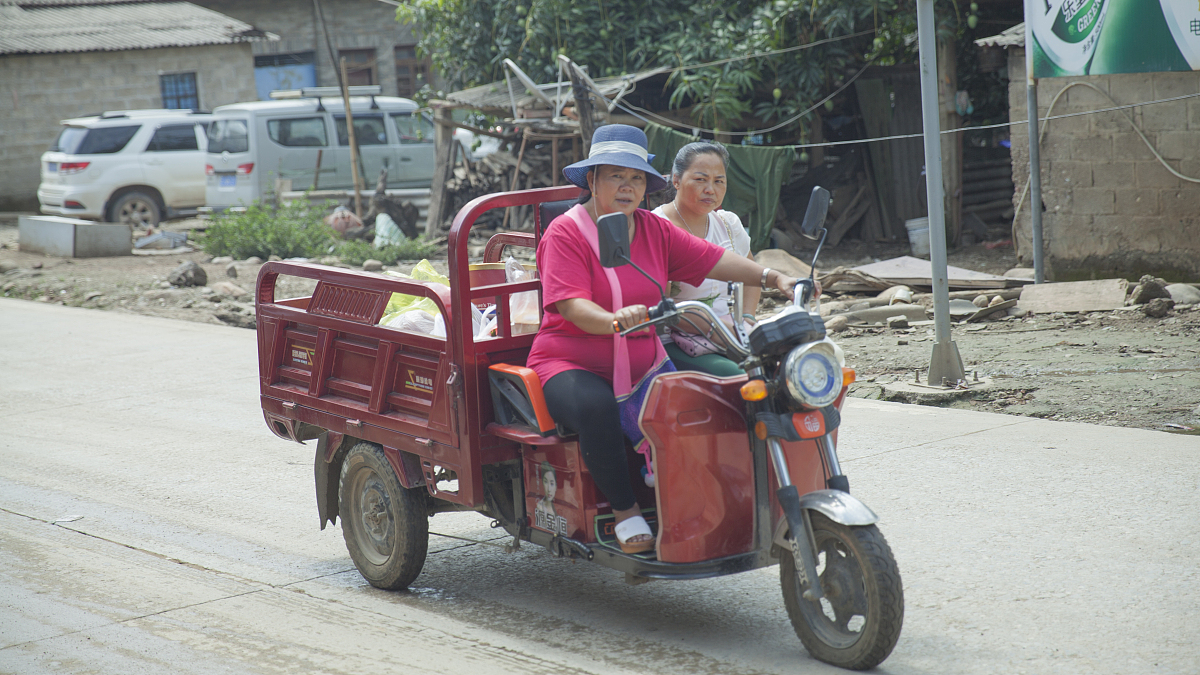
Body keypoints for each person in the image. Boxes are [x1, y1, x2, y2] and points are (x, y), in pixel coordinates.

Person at [525, 124, 801, 554]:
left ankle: (704, 503)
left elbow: (714, 259)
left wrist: (774, 276)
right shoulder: (566, 233)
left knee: (700, 403)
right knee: (595, 406)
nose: (627, 186)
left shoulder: (652, 229)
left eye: (636, 178)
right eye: (616, 175)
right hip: (571, 361)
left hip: (643, 359)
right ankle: (624, 511)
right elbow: (571, 306)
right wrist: (614, 319)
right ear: (593, 180)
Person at [652, 141, 757, 377]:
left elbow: (752, 275)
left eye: (719, 181)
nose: (711, 189)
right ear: (676, 180)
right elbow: (662, 306)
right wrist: (717, 329)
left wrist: (747, 319)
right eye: (700, 179)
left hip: (733, 333)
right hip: (678, 341)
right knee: (742, 378)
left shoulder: (728, 224)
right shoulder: (657, 228)